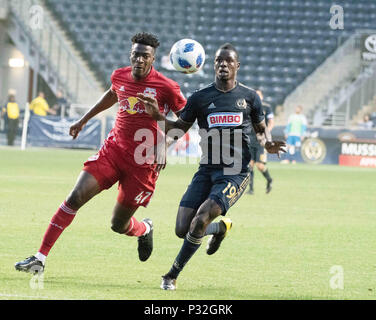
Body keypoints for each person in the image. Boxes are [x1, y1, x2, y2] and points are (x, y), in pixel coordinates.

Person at [15, 32, 186, 274]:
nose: (139, 60)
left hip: (143, 162)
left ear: (153, 60)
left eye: (145, 56)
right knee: (75, 197)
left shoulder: (167, 87)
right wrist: (83, 120)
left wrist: (162, 144)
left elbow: (185, 124)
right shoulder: (120, 76)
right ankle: (39, 258)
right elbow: (111, 95)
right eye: (136, 54)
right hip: (113, 151)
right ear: (130, 55)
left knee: (118, 224)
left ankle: (145, 229)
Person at [138, 43, 286, 290]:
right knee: (182, 228)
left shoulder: (249, 98)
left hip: (234, 173)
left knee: (200, 219)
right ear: (213, 64)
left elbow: (261, 131)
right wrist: (157, 117)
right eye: (219, 61)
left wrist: (268, 143)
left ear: (237, 66)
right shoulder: (200, 98)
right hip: (206, 169)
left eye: (228, 61)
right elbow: (177, 130)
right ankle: (220, 228)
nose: (223, 64)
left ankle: (171, 275)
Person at [247, 89, 274, 194]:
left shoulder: (267, 107)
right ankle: (251, 189)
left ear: (262, 96)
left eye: (258, 95)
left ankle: (269, 180)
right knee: (250, 165)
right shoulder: (248, 107)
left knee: (260, 165)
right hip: (250, 138)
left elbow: (271, 122)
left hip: (260, 140)